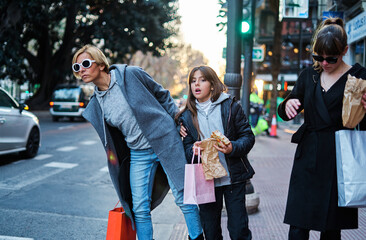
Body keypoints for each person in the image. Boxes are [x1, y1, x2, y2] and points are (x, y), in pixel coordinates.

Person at [71, 45, 204, 240]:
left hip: (165, 142)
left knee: (184, 198)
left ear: (100, 64)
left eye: (85, 64)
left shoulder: (131, 75)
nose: (81, 70)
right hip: (138, 154)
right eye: (76, 67)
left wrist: (177, 122)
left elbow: (162, 95)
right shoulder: (96, 104)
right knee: (139, 208)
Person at [277, 18, 366, 240]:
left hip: (339, 157)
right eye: (318, 57)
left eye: (331, 58)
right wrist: (287, 104)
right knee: (298, 224)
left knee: (330, 228)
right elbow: (287, 106)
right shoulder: (309, 75)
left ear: (345, 50)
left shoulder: (359, 77)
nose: (324, 63)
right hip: (307, 155)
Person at [176, 66, 255, 240]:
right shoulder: (187, 116)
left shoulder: (231, 106)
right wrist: (194, 149)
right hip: (206, 180)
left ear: (212, 85)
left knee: (238, 229)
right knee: (210, 232)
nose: (196, 84)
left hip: (233, 178)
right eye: (193, 80)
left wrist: (232, 147)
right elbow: (187, 149)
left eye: (202, 80)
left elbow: (248, 137)